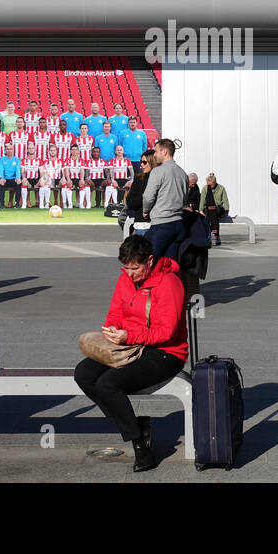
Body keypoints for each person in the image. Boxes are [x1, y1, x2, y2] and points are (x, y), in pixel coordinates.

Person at [75, 234, 189, 473]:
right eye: (125, 268)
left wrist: (130, 337)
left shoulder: (169, 283)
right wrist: (112, 331)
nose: (130, 274)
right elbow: (115, 313)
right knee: (83, 373)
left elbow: (167, 331)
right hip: (129, 346)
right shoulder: (125, 280)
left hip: (165, 352)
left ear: (149, 260)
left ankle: (140, 445)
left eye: (135, 268)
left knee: (108, 384)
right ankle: (136, 425)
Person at [142, 138, 189, 260]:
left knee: (149, 260)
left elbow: (148, 196)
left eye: (156, 151)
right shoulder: (182, 173)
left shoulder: (158, 171)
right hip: (178, 224)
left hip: (161, 224)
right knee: (170, 264)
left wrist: (146, 210)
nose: (155, 154)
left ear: (165, 152)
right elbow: (184, 200)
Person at [122, 150, 155, 239]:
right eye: (141, 162)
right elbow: (130, 202)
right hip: (142, 224)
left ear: (153, 162)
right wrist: (146, 195)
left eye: (144, 162)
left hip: (159, 223)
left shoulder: (162, 179)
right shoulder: (139, 178)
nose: (141, 165)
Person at [202, 173, 229, 246]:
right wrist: (200, 209)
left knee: (214, 212)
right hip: (208, 208)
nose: (209, 186)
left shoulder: (221, 188)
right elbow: (202, 200)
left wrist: (226, 210)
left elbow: (225, 200)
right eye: (208, 185)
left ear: (214, 183)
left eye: (211, 185)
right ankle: (216, 236)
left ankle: (210, 236)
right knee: (209, 213)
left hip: (218, 208)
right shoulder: (205, 188)